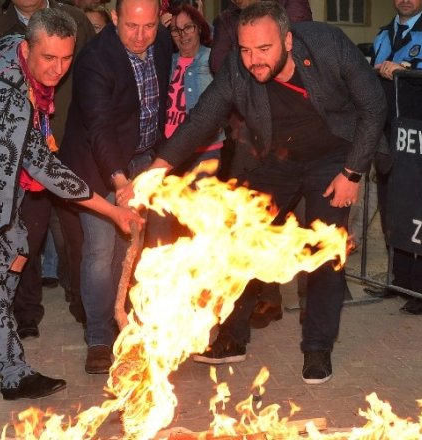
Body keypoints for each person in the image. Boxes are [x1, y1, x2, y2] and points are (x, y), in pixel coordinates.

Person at [121, 0, 386, 384]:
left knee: (324, 253)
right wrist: (155, 171)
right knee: (240, 244)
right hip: (277, 159)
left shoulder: (328, 45)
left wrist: (353, 172)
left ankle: (317, 348)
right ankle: (232, 338)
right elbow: (201, 119)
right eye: (245, 50)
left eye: (264, 49)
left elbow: (373, 105)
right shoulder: (238, 68)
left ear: (287, 41)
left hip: (334, 158)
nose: (253, 60)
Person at [0, 7, 142, 399]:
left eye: (66, 58)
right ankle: (13, 374)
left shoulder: (17, 47)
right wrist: (112, 211)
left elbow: (24, 155)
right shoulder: (8, 93)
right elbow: (34, 169)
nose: (58, 69)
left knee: (18, 248)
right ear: (27, 48)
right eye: (49, 58)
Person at [59, 0, 174, 374]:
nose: (140, 36)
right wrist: (120, 181)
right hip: (97, 166)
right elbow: (100, 128)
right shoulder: (95, 60)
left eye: (149, 26)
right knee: (99, 251)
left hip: (143, 158)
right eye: (131, 26)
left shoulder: (163, 42)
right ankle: (98, 339)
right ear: (114, 18)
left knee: (131, 249)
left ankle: (125, 324)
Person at [0, 0, 96, 340]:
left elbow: (94, 74)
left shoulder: (75, 20)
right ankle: (26, 310)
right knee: (26, 233)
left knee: (79, 232)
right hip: (22, 153)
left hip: (72, 140)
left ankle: (86, 303)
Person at [208, 0, 312, 328]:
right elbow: (219, 64)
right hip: (247, 136)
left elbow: (298, 53)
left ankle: (312, 307)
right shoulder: (227, 19)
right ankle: (265, 298)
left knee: (306, 224)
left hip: (298, 138)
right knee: (253, 221)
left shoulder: (290, 6)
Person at [368, 0, 422, 315]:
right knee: (392, 211)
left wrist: (406, 68)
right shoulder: (383, 35)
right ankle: (400, 280)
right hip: (388, 135)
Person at [165, 3, 224, 170]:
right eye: (175, 30)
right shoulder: (167, 61)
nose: (182, 34)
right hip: (170, 149)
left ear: (198, 28)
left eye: (188, 27)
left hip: (204, 150)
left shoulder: (212, 58)